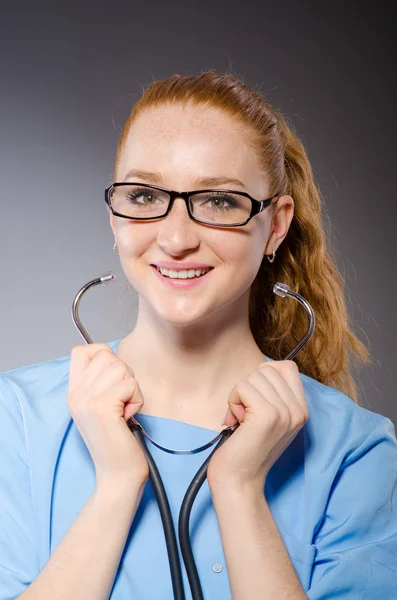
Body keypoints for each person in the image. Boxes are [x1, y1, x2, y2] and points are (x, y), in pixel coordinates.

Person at [1, 70, 396, 600]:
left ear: (275, 225)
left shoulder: (356, 450)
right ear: (114, 217)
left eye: (219, 201)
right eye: (144, 196)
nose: (176, 238)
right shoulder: (16, 420)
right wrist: (117, 486)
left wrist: (239, 489)